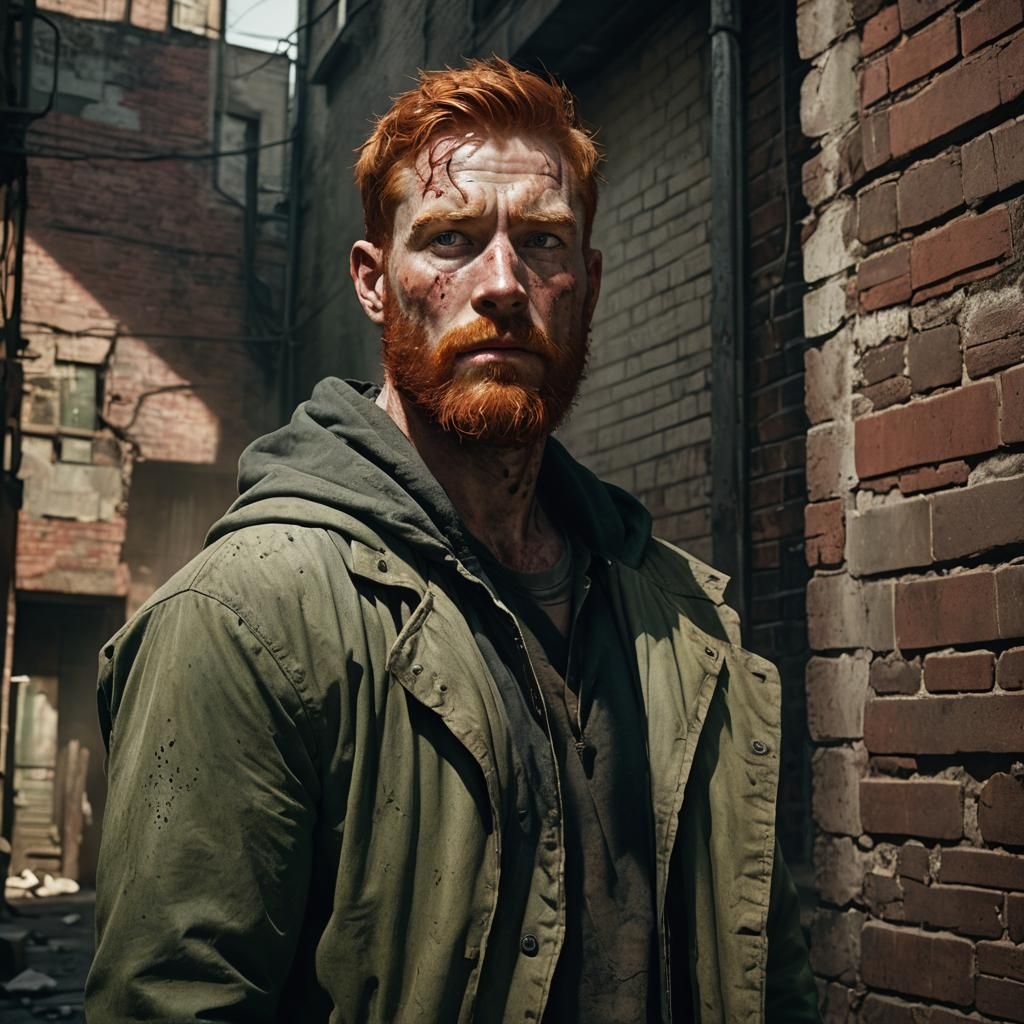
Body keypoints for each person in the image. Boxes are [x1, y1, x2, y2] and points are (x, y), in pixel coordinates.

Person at [86, 58, 820, 1023]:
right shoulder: (243, 620)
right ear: (373, 283)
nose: (504, 284)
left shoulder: (682, 617)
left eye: (545, 243)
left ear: (587, 285)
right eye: (451, 239)